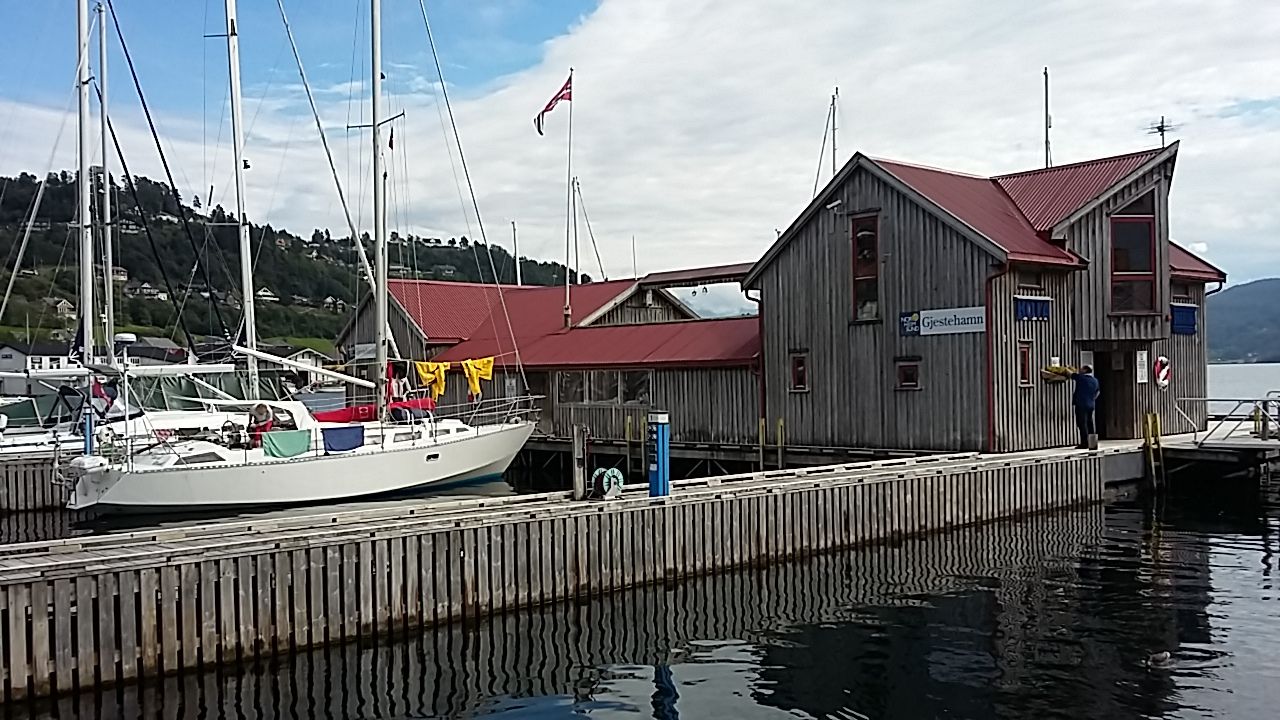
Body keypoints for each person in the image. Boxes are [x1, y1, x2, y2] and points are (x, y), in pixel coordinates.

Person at [1070, 365, 1100, 449]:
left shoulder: (1081, 378)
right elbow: (1098, 392)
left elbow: (1070, 374)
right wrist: (1092, 399)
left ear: (1085, 370)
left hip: (1081, 404)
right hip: (1091, 404)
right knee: (1090, 423)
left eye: (1082, 368)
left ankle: (1084, 443)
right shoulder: (1095, 380)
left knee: (1082, 423)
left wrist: (1066, 368)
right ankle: (1093, 443)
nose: (1080, 369)